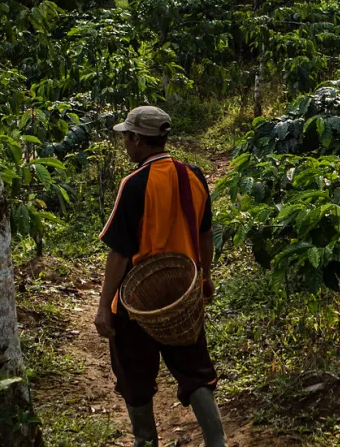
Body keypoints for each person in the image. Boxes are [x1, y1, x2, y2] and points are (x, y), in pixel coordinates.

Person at [95, 105, 225, 447]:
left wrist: (104, 306)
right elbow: (206, 234)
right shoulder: (192, 175)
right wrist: (205, 276)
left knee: (134, 374)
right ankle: (217, 442)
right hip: (182, 293)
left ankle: (146, 441)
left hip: (137, 300)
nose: (126, 143)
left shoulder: (134, 184)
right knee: (194, 369)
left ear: (138, 139)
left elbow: (120, 253)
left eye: (127, 137)